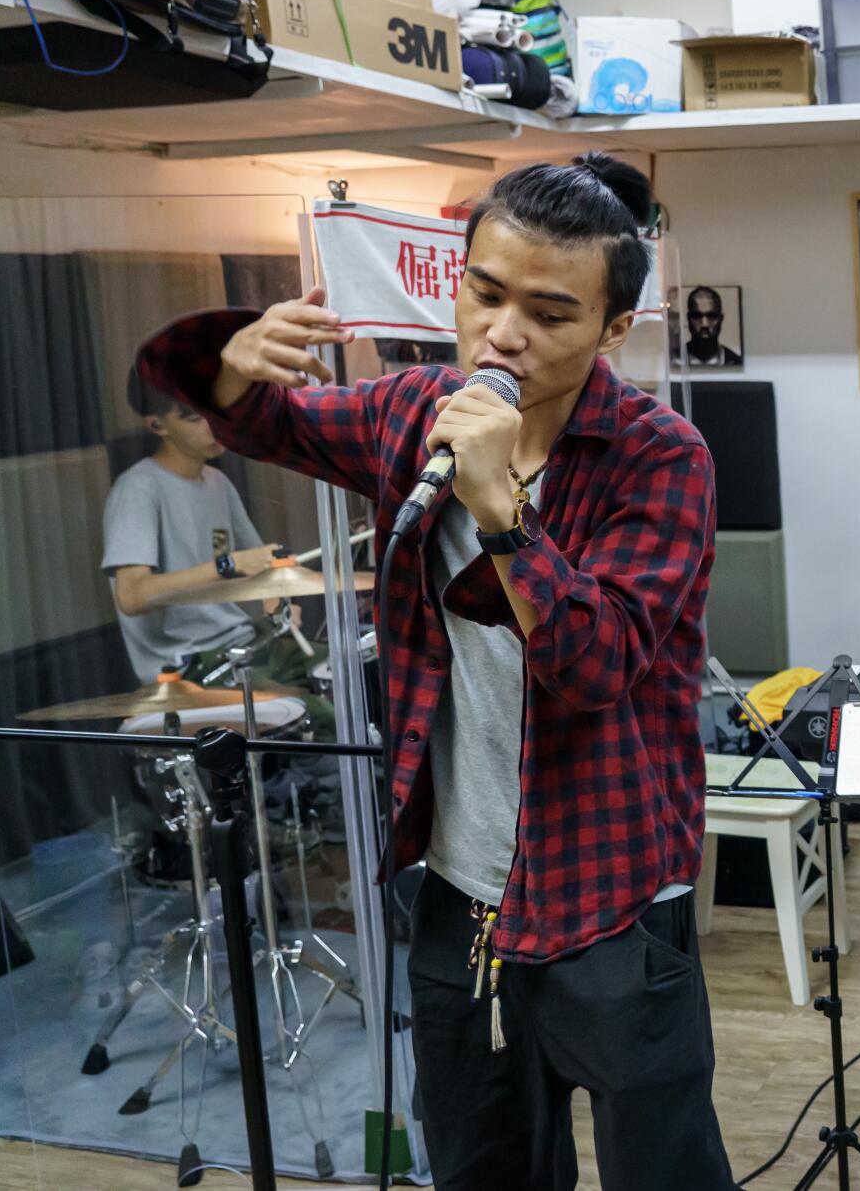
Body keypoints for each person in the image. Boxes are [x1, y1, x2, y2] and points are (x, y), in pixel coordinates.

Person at [136, 153, 733, 1190]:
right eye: (486, 293)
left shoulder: (660, 457)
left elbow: (596, 664)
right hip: (463, 886)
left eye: (550, 313)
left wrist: (504, 513)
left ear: (610, 331)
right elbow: (263, 422)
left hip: (612, 887)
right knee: (476, 1160)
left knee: (662, 1166)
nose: (503, 333)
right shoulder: (415, 413)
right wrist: (236, 363)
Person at [102, 370, 284, 682]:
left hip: (239, 646)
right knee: (318, 715)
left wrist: (279, 604)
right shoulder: (138, 489)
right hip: (191, 667)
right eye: (195, 419)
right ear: (157, 425)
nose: (214, 426)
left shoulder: (218, 482)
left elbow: (263, 564)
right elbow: (131, 596)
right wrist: (226, 564)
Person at [684, 285, 742, 367]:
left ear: (721, 319)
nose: (705, 324)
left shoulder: (735, 361)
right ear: (688, 318)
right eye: (697, 316)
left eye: (711, 316)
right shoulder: (675, 359)